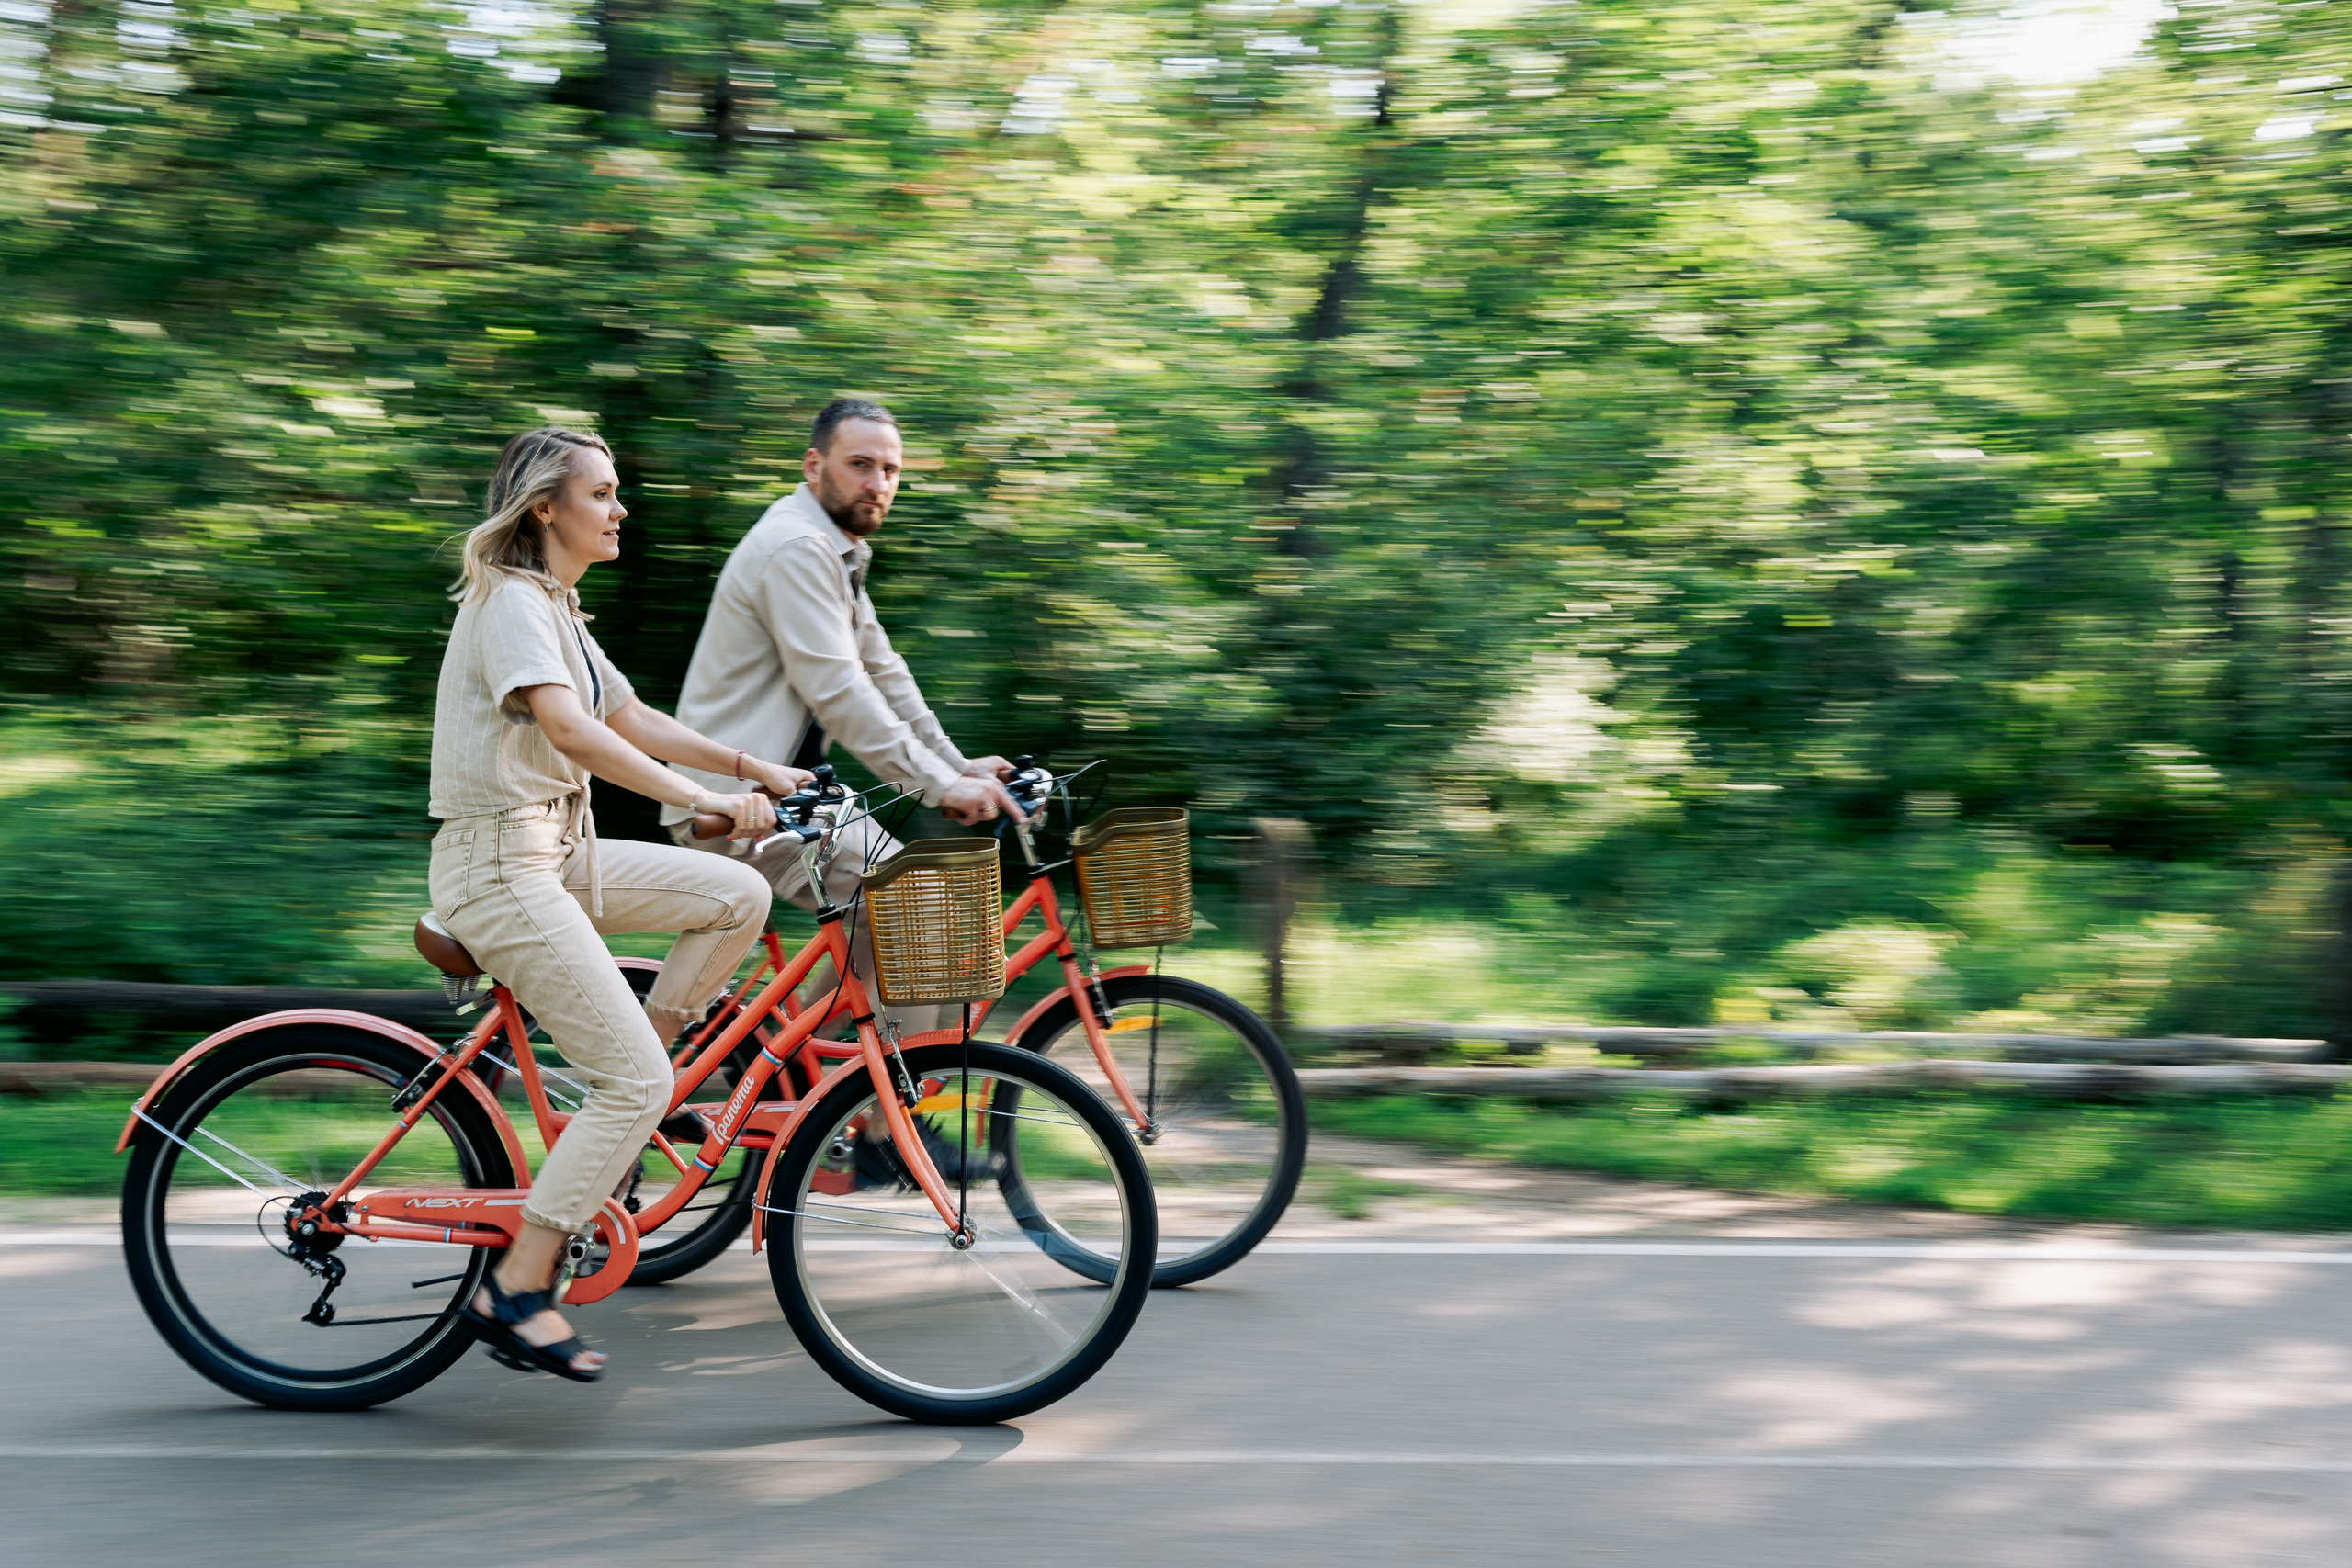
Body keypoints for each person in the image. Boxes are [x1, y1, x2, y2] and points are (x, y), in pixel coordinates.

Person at [428, 425, 811, 1382]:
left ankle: (640, 1084)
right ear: (546, 509)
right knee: (633, 1082)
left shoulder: (558, 607)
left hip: (557, 857)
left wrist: (750, 766)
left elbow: (626, 717)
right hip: (500, 869)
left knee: (735, 894)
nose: (620, 508)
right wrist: (702, 802)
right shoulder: (514, 602)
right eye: (601, 493)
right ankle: (517, 1286)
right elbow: (567, 728)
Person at [662, 397, 1026, 1036]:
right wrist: (942, 786)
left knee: (890, 929)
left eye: (889, 469)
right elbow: (840, 691)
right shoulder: (797, 548)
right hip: (741, 803)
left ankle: (788, 1095)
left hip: (796, 799)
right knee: (921, 913)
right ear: (813, 464)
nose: (877, 483)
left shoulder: (835, 552)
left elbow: (886, 675)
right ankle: (887, 1136)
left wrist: (957, 764)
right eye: (860, 464)